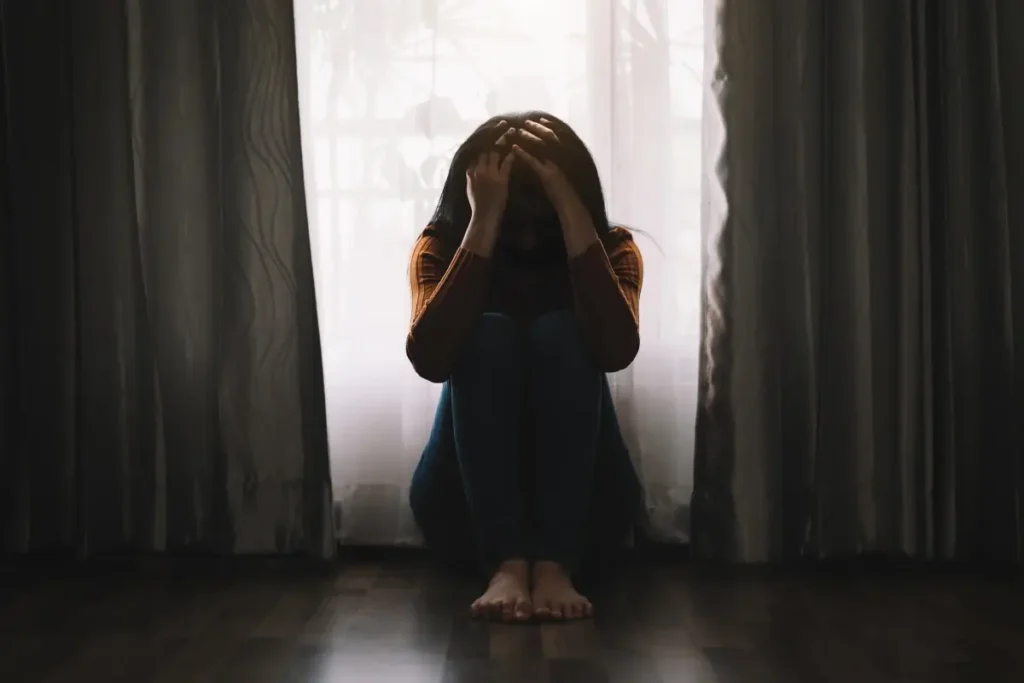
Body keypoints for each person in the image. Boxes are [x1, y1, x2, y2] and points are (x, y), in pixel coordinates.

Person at [405, 112, 644, 623]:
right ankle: (506, 563)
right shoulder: (441, 248)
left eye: (545, 220)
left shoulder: (614, 249)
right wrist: (483, 224)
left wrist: (571, 209)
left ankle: (555, 562)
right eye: (517, 224)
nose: (531, 241)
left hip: (589, 516)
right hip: (464, 514)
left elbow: (615, 352)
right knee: (487, 334)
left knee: (563, 332)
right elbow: (430, 360)